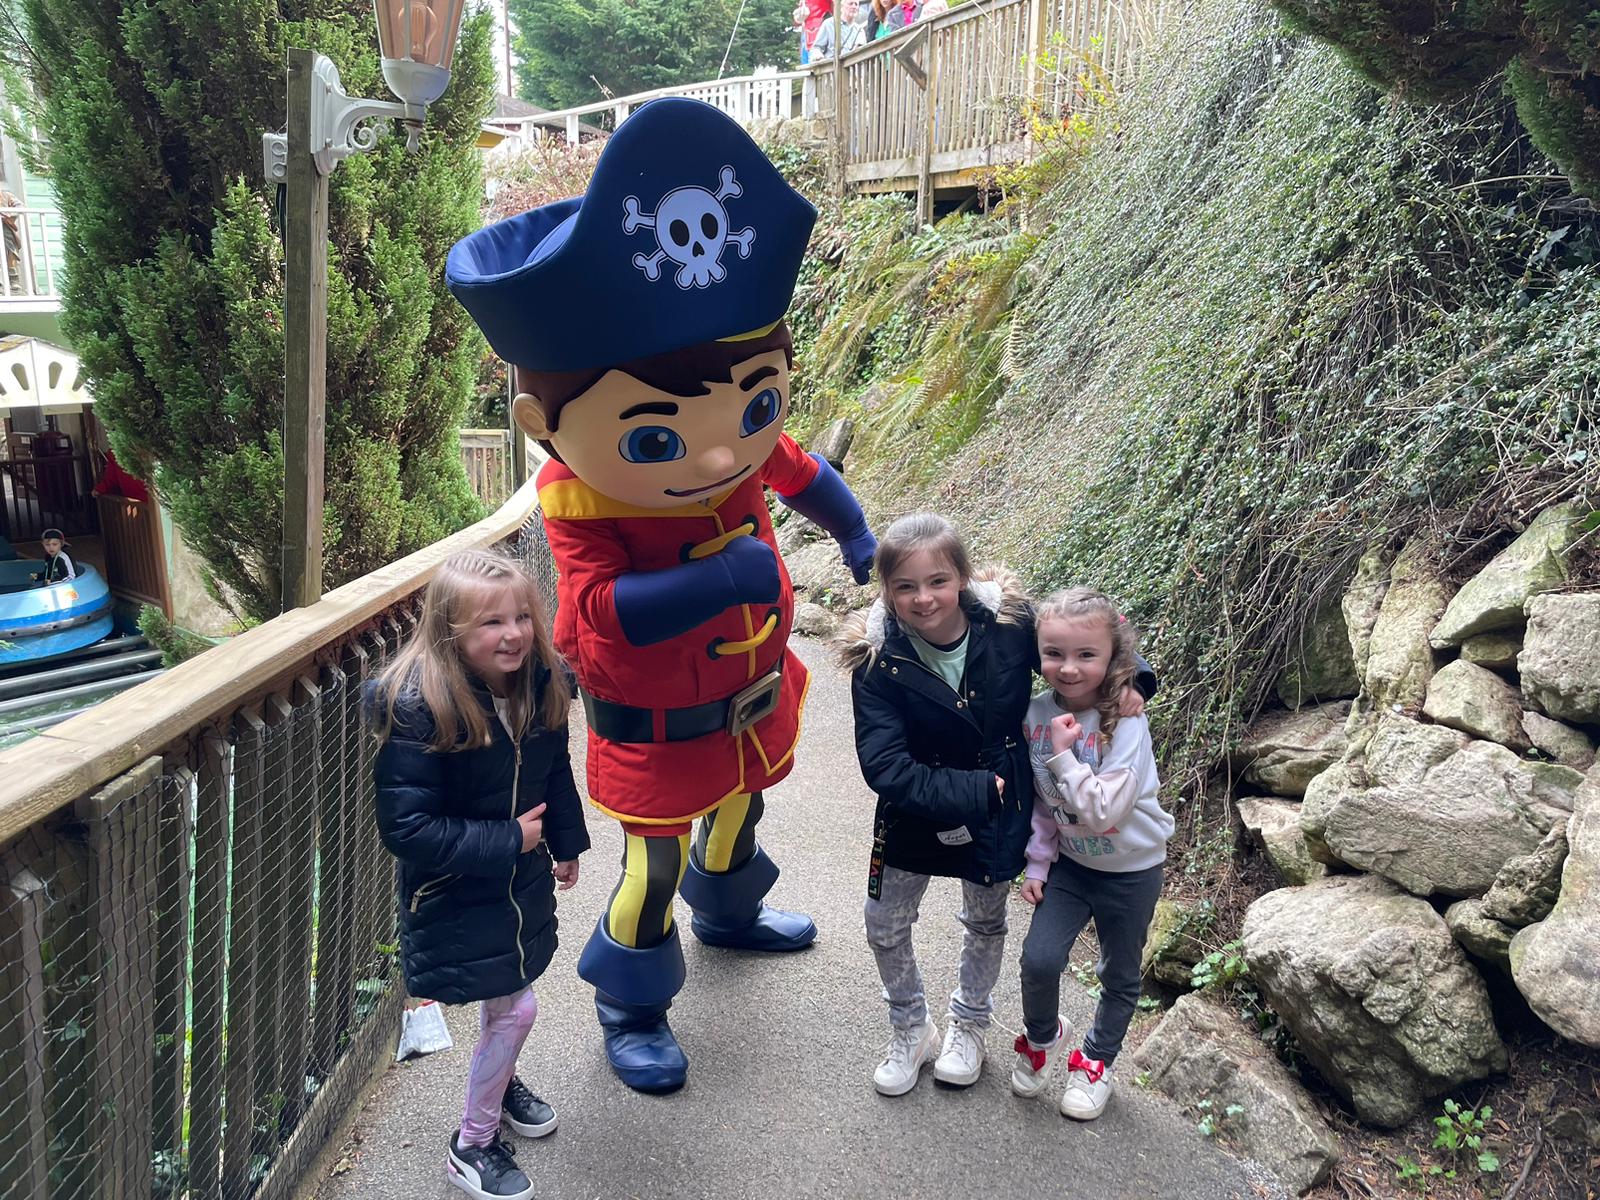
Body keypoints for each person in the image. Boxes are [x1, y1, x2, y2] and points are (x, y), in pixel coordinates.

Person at [446, 98, 876, 1095]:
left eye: (754, 405)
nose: (721, 455)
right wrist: (718, 579)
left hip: (750, 699)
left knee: (742, 810)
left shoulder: (740, 450)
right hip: (657, 724)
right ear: (541, 422)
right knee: (655, 865)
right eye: (655, 435)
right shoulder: (582, 497)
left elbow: (800, 471)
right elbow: (594, 615)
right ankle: (630, 1003)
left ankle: (731, 913)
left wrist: (854, 531)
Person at [838, 514, 1155, 1095]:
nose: (924, 598)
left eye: (937, 581)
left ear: (961, 577)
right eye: (905, 586)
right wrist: (977, 790)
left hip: (997, 814)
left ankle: (970, 1024)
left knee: (984, 920)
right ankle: (911, 1027)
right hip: (918, 810)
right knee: (883, 923)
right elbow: (883, 765)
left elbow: (1078, 645)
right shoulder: (877, 659)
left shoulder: (1008, 625)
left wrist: (1135, 679)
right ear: (886, 589)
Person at [369, 549, 590, 1200]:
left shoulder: (541, 683)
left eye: (521, 616)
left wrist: (566, 841)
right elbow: (406, 829)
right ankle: (472, 1144)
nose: (514, 633)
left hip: (517, 883)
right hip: (456, 890)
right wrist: (510, 839)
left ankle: (498, 1081)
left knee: (507, 999)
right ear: (451, 630)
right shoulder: (419, 707)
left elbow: (553, 770)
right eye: (492, 622)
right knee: (516, 1007)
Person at [1012, 587, 1173, 1122]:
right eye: (1054, 653)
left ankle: (1096, 1061)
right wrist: (1038, 863)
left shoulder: (1125, 721)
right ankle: (1042, 1037)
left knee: (1119, 974)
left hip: (1133, 871)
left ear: (1113, 658)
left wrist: (1063, 755)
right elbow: (1044, 800)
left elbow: (1103, 811)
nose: (1069, 668)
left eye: (1087, 655)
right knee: (1039, 960)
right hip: (1072, 866)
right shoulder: (1035, 714)